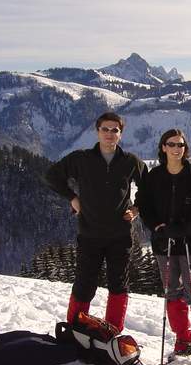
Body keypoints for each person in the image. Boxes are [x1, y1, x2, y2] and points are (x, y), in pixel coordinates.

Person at [45, 112, 146, 332]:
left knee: (118, 285)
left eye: (115, 130)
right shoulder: (81, 159)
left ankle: (113, 332)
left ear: (121, 133)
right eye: (105, 129)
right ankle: (75, 330)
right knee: (84, 284)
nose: (110, 134)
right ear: (97, 131)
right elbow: (52, 176)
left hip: (120, 235)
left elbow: (148, 188)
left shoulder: (130, 161)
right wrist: (73, 198)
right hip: (89, 233)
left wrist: (137, 207)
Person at [135, 128, 191, 365]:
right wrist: (158, 228)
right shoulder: (154, 177)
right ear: (163, 147)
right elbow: (144, 205)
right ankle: (183, 341)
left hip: (190, 244)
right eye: (171, 144)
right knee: (172, 291)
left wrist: (186, 228)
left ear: (185, 149)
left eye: (180, 145)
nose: (176, 149)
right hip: (164, 244)